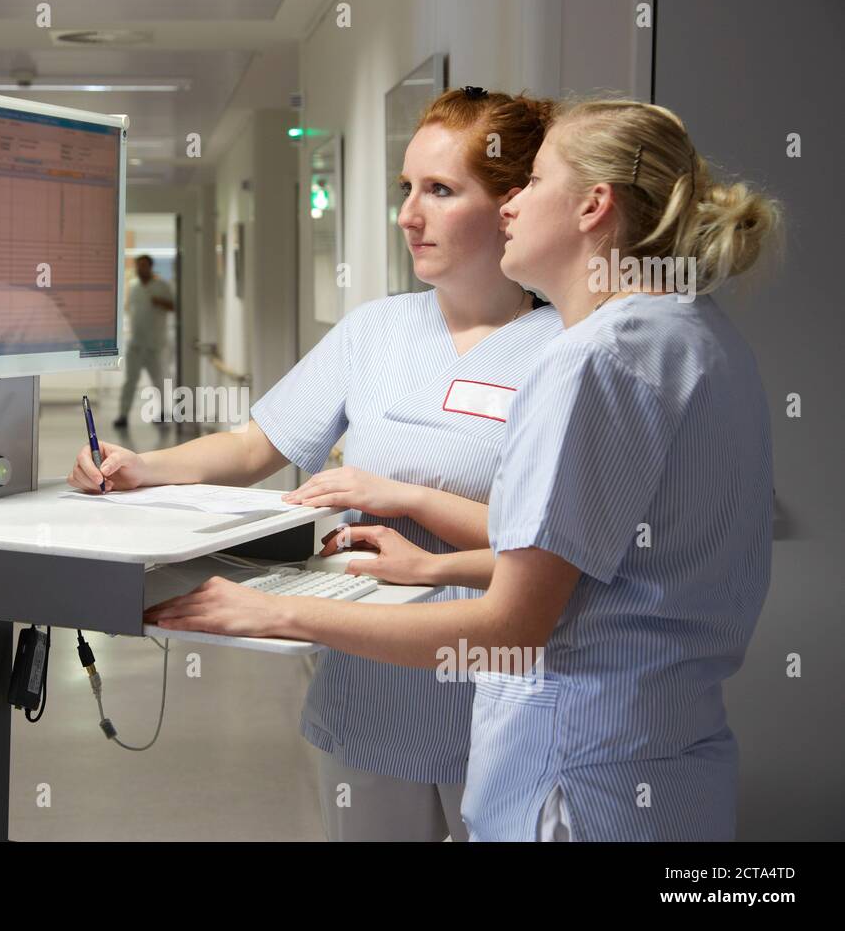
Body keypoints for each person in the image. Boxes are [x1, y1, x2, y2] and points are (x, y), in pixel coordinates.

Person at [147, 98, 781, 841]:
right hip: (666, 760)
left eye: (533, 181)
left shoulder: (588, 359)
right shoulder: (700, 336)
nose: (514, 202)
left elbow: (514, 622)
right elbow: (614, 566)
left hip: (581, 771)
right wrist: (426, 568)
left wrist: (275, 614)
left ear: (593, 206)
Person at [72, 87, 564, 841]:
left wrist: (403, 497)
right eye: (406, 189)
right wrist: (147, 465)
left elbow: (559, 541)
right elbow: (252, 446)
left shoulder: (565, 349)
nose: (409, 214)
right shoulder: (375, 330)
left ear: (510, 204)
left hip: (498, 693)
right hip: (367, 680)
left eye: (440, 190)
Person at [114, 254, 176, 429]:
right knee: (130, 381)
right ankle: (123, 415)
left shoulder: (162, 286)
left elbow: (173, 306)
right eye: (138, 266)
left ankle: (163, 412)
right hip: (135, 343)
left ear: (150, 267)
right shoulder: (133, 286)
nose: (141, 269)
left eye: (144, 266)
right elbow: (129, 309)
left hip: (155, 345)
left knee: (158, 380)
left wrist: (160, 302)